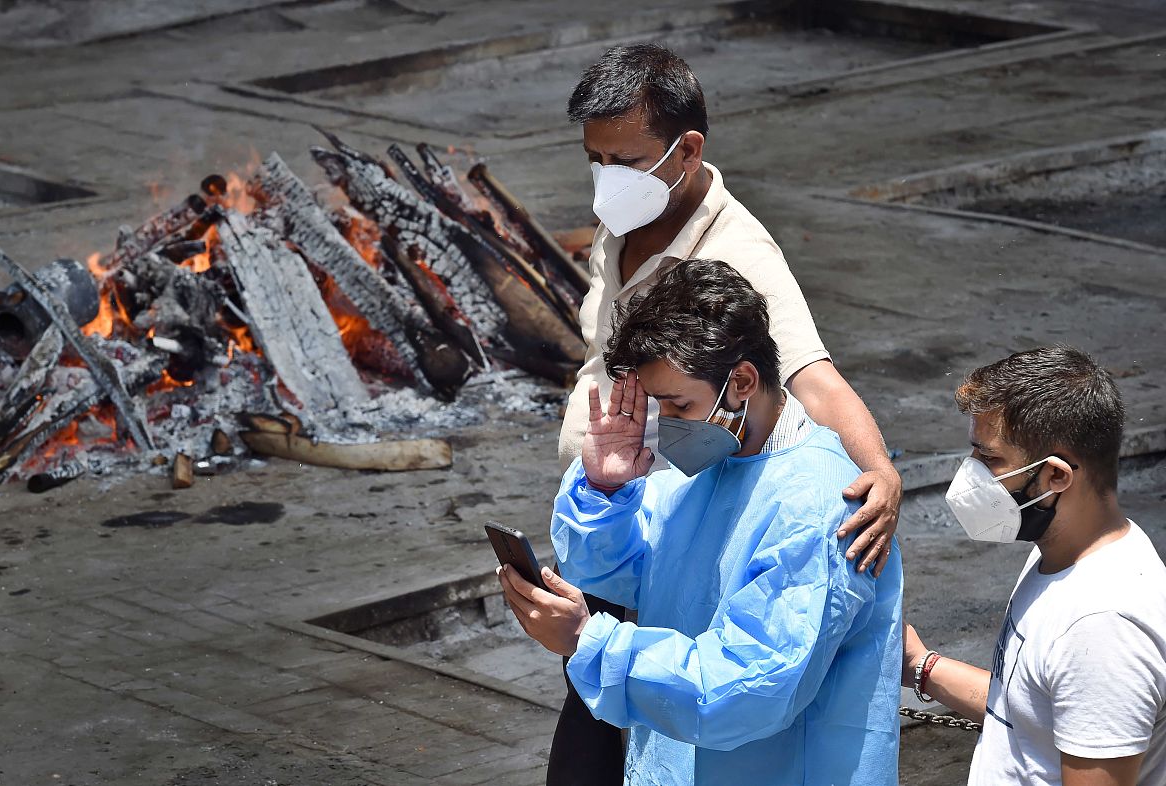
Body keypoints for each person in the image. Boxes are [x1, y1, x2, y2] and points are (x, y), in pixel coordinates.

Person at [551, 42, 903, 783]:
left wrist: (880, 475)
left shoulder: (804, 506)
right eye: (596, 159)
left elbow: (816, 376)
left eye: (625, 160)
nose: (606, 180)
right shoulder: (689, 469)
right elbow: (624, 571)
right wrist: (606, 493)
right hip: (646, 503)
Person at [499, 258, 903, 785]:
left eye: (680, 405)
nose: (667, 426)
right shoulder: (706, 467)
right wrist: (604, 490)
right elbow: (623, 569)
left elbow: (749, 689)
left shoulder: (821, 504)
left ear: (741, 381)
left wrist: (588, 640)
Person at [904, 345, 1166, 786]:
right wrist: (919, 665)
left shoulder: (1103, 626)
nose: (970, 473)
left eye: (989, 459)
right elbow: (1026, 709)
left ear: (1056, 477)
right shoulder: (1058, 558)